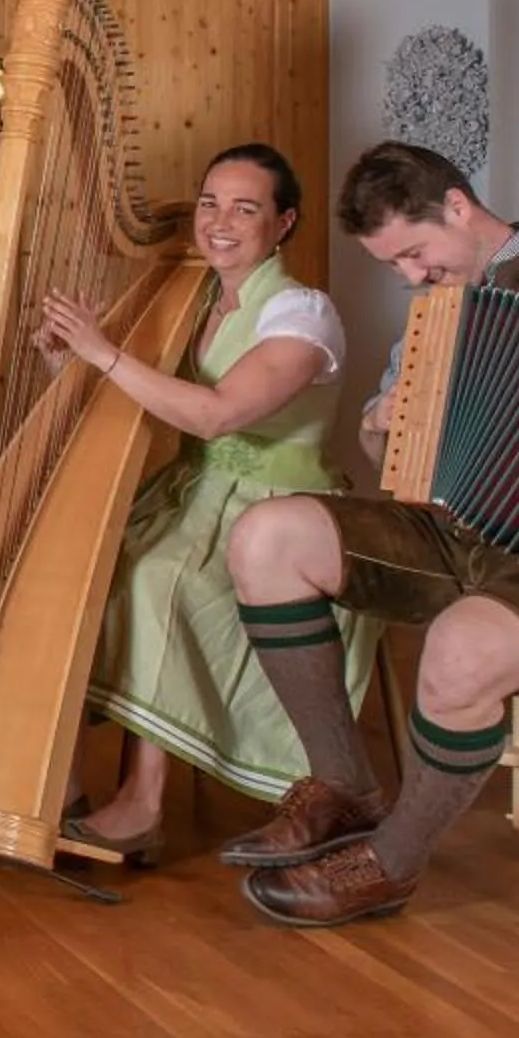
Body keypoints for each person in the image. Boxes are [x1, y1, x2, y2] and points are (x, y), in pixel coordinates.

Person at [220, 141, 519, 928]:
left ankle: (391, 862)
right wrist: (383, 425)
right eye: (394, 265)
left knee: (460, 646)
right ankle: (344, 787)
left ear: (457, 207)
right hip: (458, 536)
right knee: (266, 537)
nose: (411, 275)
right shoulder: (438, 311)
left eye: (415, 253)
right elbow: (395, 463)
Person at [36, 145, 368, 860]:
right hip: (195, 494)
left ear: (283, 223)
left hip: (280, 514)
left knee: (157, 579)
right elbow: (147, 402)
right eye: (210, 203)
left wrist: (103, 352)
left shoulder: (302, 313)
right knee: (76, 566)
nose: (219, 222)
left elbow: (216, 415)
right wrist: (69, 354)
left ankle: (143, 805)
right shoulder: (195, 300)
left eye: (245, 209)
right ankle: (55, 780)